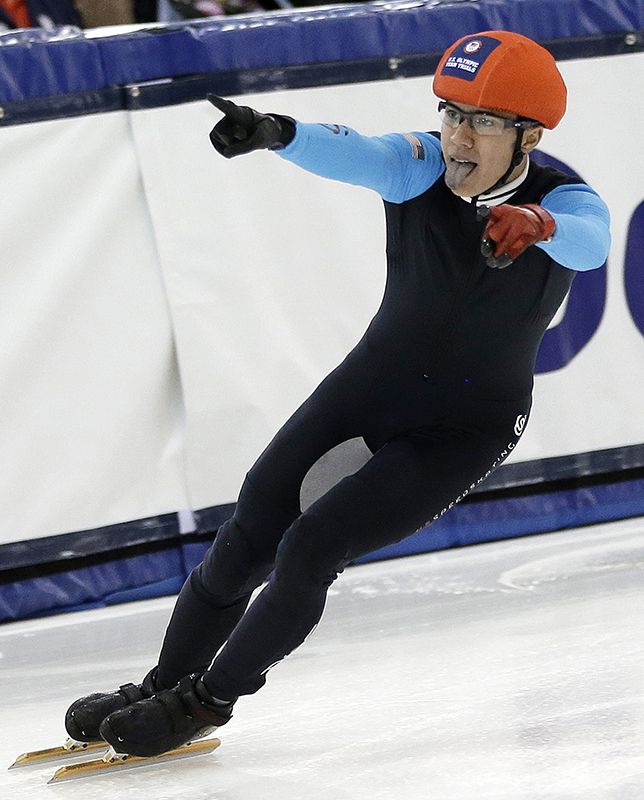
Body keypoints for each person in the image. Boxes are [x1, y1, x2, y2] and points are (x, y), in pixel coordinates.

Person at [64, 30, 611, 758]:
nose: (457, 137)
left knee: (314, 545)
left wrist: (536, 225)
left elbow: (590, 241)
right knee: (245, 537)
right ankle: (166, 680)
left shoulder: (564, 200)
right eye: (450, 113)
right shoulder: (419, 166)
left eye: (480, 122)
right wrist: (274, 133)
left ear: (530, 135)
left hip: (467, 427)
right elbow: (357, 151)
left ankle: (209, 699)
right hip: (372, 388)